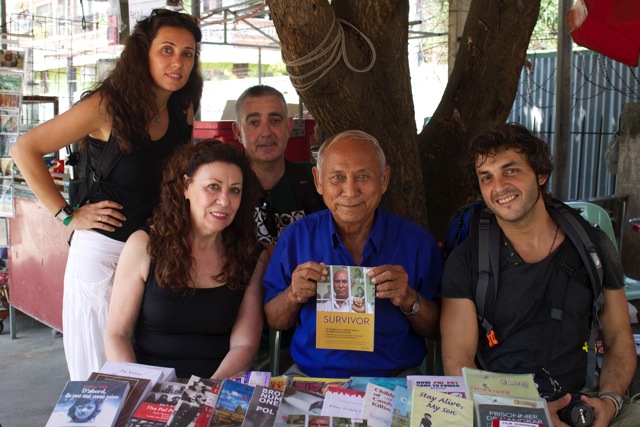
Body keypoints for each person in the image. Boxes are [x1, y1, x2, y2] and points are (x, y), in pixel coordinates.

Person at [9, 9, 203, 380]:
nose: (178, 62)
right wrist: (68, 215)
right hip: (104, 255)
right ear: (143, 52)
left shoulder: (182, 107)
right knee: (100, 379)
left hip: (155, 255)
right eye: (167, 50)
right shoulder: (107, 106)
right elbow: (24, 149)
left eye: (188, 53)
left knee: (148, 373)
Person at [440, 123, 639, 426]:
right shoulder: (468, 260)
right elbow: (458, 362)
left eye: (511, 171)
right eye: (487, 177)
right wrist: (523, 414)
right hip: (500, 408)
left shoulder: (592, 247)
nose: (499, 187)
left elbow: (619, 340)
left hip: (583, 402)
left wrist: (610, 401)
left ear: (541, 175)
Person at [263, 130, 442, 378]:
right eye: (337, 177)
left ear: (384, 179)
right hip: (311, 376)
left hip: (394, 378)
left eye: (363, 176)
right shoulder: (295, 238)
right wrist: (293, 294)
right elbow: (275, 321)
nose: (350, 190)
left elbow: (438, 329)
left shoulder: (417, 243)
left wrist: (409, 299)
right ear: (318, 181)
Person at [104, 140, 267, 379]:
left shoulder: (250, 256)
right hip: (150, 385)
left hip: (219, 385)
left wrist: (206, 392)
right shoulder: (144, 245)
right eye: (213, 186)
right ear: (185, 186)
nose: (224, 201)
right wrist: (142, 388)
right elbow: (117, 334)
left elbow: (244, 344)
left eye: (234, 190)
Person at [232, 84, 325, 248]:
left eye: (275, 121)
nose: (266, 132)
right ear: (238, 132)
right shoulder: (224, 186)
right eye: (254, 123)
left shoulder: (316, 180)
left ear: (289, 127)